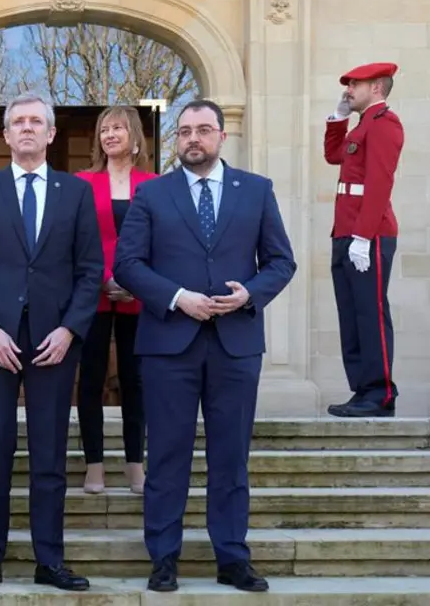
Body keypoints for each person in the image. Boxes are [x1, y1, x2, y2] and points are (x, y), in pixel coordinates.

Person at [113, 99, 296, 594]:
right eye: (185, 131)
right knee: (167, 455)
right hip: (169, 345)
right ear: (176, 140)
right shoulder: (152, 194)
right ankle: (164, 558)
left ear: (220, 136)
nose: (194, 138)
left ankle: (232, 557)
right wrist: (177, 298)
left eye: (204, 130)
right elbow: (127, 264)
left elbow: (281, 262)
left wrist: (249, 295)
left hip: (235, 346)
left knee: (231, 457)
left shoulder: (256, 191)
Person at [0, 91, 102, 593]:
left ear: (52, 134)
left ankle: (49, 560)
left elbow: (89, 271)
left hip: (54, 342)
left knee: (49, 455)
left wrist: (70, 328)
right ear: (7, 134)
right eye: (19, 122)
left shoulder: (75, 192)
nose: (29, 128)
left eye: (38, 121)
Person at [74, 106, 158, 495]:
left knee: (135, 381)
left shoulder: (154, 184)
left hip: (139, 295)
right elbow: (75, 242)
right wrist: (101, 279)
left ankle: (134, 464)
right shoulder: (82, 183)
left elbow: (161, 243)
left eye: (118, 128)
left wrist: (138, 282)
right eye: (104, 129)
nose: (109, 135)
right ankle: (94, 465)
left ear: (134, 135)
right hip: (93, 293)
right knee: (90, 380)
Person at [324, 62, 403, 418]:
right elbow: (333, 156)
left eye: (354, 84)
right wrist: (337, 119)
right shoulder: (362, 125)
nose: (348, 90)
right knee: (352, 314)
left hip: (366, 233)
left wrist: (363, 236)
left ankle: (380, 392)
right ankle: (362, 390)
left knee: (370, 313)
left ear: (376, 87)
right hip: (346, 230)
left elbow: (380, 183)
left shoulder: (386, 123)